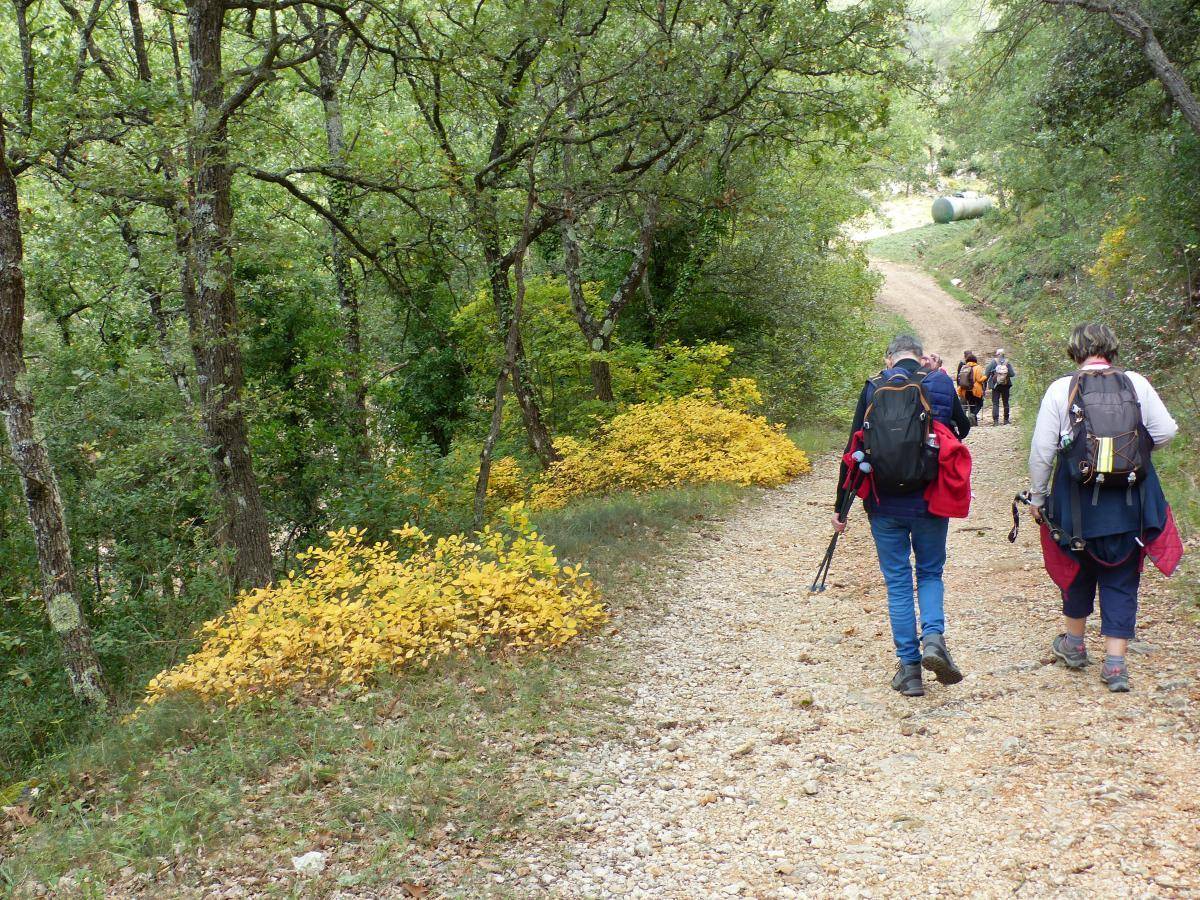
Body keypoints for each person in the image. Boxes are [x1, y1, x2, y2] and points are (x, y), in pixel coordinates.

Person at [1027, 323, 1179, 692]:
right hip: (1130, 498)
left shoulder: (1062, 389)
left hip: (1075, 498)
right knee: (1123, 573)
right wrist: (1133, 455)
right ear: (1111, 348)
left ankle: (1075, 644)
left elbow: (1043, 451)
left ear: (1074, 350)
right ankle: (1114, 664)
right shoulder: (1136, 384)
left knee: (1077, 565)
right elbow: (1166, 431)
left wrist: (1038, 496)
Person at [834, 334, 971, 697]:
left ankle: (909, 670)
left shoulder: (873, 386)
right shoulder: (939, 382)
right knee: (929, 573)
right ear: (920, 355)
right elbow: (965, 428)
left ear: (889, 357)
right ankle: (934, 639)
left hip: (883, 504)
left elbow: (853, 448)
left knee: (897, 582)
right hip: (929, 500)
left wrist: (840, 509)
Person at [984, 349, 1016, 425]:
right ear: (1004, 355)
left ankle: (996, 421)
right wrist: (1005, 375)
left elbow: (987, 373)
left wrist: (987, 381)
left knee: (995, 402)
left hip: (996, 386)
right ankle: (1006, 420)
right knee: (1006, 402)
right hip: (1006, 385)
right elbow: (1012, 374)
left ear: (997, 354)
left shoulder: (993, 362)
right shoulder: (1007, 362)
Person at [956, 352, 986, 424]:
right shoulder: (977, 367)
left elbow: (958, 378)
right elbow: (979, 379)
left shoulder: (964, 367)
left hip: (965, 390)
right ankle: (973, 415)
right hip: (975, 389)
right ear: (975, 360)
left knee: (971, 404)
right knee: (979, 403)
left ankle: (972, 422)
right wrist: (985, 377)